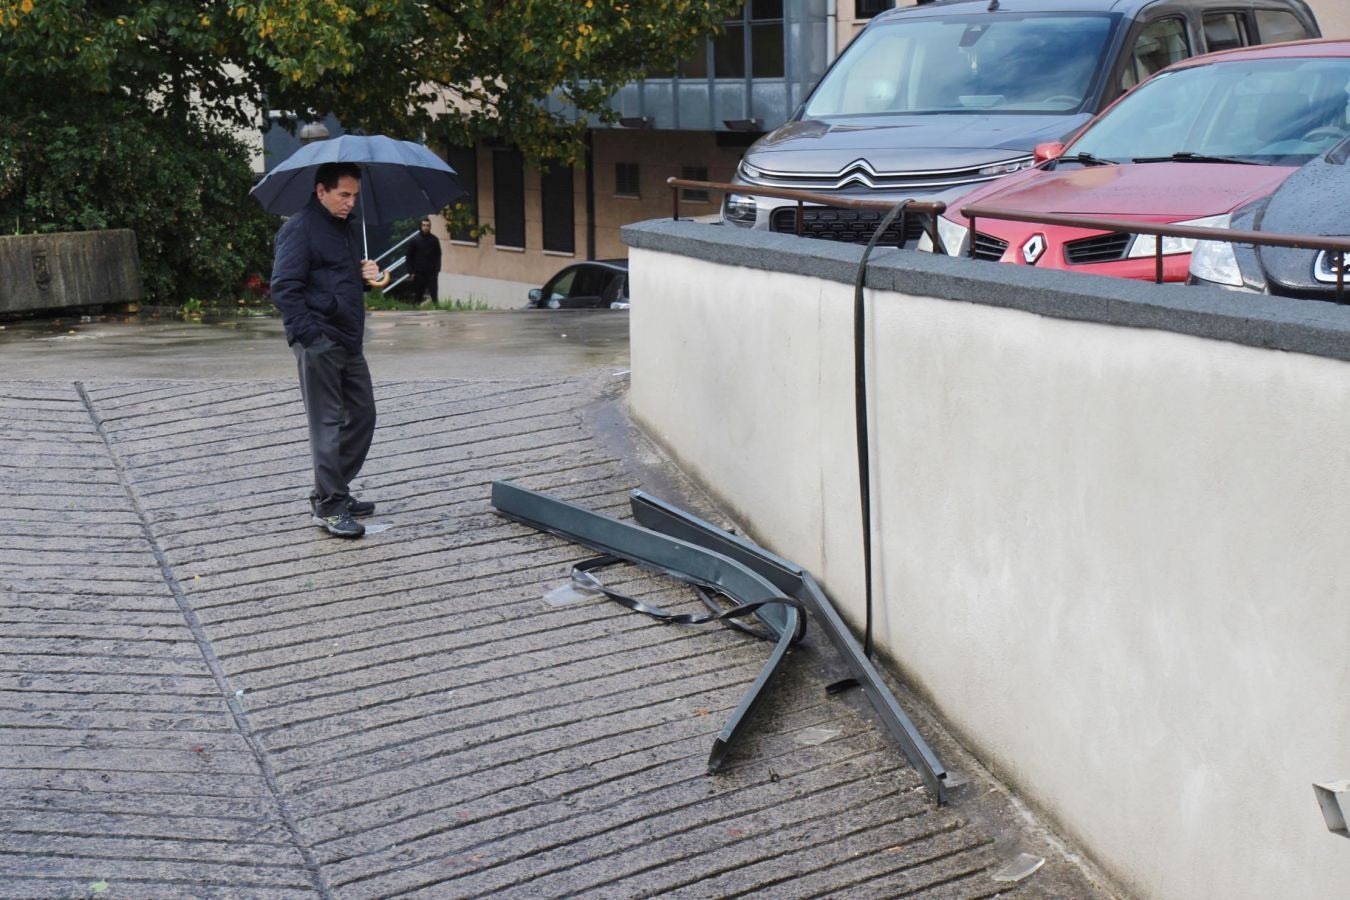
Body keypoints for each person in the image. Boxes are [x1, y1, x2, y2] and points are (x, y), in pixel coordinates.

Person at [270, 162, 383, 539]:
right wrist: (310, 336)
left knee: (363, 415)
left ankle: (329, 490)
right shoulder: (299, 228)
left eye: (355, 196)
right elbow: (284, 288)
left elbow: (335, 281)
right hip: (319, 340)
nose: (351, 202)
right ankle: (331, 506)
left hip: (349, 339)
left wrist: (365, 278)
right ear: (321, 191)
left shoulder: (345, 227)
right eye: (343, 195)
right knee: (328, 422)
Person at [405, 217, 442, 305]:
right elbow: (408, 257)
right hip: (419, 273)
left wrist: (437, 269)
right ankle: (415, 311)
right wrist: (411, 272)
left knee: (434, 295)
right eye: (424, 225)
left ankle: (437, 309)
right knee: (418, 295)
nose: (426, 227)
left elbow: (438, 255)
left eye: (428, 225)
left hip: (432, 273)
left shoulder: (434, 240)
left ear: (430, 227)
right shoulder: (414, 240)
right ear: (420, 226)